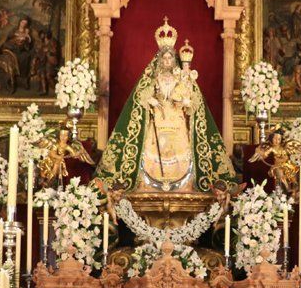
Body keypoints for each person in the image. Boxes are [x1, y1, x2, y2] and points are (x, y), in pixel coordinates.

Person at [95, 17, 235, 194]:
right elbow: (142, 94)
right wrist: (150, 100)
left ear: (174, 59)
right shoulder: (154, 78)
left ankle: (184, 185)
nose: (168, 60)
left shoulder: (181, 77)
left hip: (176, 119)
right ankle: (151, 185)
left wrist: (186, 102)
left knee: (180, 148)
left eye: (170, 57)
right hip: (159, 119)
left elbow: (193, 101)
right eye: (165, 57)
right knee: (153, 147)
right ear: (160, 59)